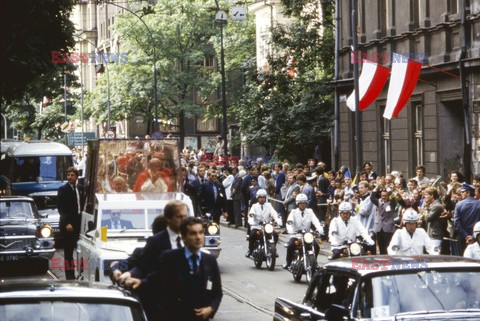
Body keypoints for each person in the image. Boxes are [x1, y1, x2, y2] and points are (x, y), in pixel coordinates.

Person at [127, 217, 222, 321]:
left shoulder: (209, 260)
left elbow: (217, 292)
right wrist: (140, 282)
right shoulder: (170, 257)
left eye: (201, 233)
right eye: (193, 233)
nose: (198, 237)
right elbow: (156, 279)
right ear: (183, 237)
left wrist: (211, 308)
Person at [57, 166, 85, 280]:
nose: (70, 177)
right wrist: (67, 223)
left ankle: (82, 273)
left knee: (82, 249)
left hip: (80, 222)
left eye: (72, 175)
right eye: (68, 175)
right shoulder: (62, 189)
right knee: (68, 252)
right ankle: (69, 276)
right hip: (69, 224)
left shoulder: (81, 188)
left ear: (76, 176)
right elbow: (61, 208)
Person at [283, 194, 324, 269]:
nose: (303, 205)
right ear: (297, 204)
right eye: (301, 203)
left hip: (307, 235)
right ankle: (288, 263)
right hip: (296, 235)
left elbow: (316, 221)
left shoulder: (310, 211)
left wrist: (319, 229)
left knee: (316, 246)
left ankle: (314, 262)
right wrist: (290, 230)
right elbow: (289, 222)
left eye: (304, 203)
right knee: (291, 245)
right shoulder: (293, 212)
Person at [246, 189, 282, 257]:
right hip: (257, 226)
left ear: (266, 198)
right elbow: (251, 214)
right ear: (257, 198)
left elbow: (274, 213)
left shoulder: (269, 205)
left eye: (263, 197)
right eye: (260, 197)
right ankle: (250, 250)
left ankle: (274, 249)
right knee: (252, 234)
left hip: (267, 226)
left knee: (275, 234)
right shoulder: (254, 206)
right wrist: (251, 221)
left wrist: (277, 220)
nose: (262, 199)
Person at [454, 182, 480, 255]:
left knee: (461, 260)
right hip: (476, 236)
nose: (461, 193)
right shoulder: (478, 204)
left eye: (462, 192)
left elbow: (456, 223)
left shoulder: (459, 204)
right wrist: (472, 236)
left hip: (463, 237)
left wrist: (466, 235)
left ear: (468, 193)